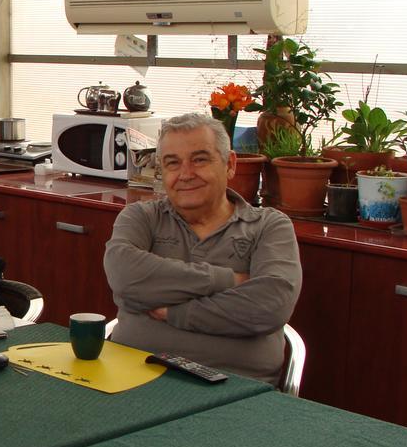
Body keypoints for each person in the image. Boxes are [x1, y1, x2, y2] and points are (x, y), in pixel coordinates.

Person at [103, 112, 301, 384]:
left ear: (230, 164)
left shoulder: (269, 226)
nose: (185, 174)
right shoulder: (141, 217)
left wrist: (175, 312)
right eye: (173, 163)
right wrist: (229, 280)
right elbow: (126, 278)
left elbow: (269, 305)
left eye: (199, 159)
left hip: (237, 389)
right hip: (133, 377)